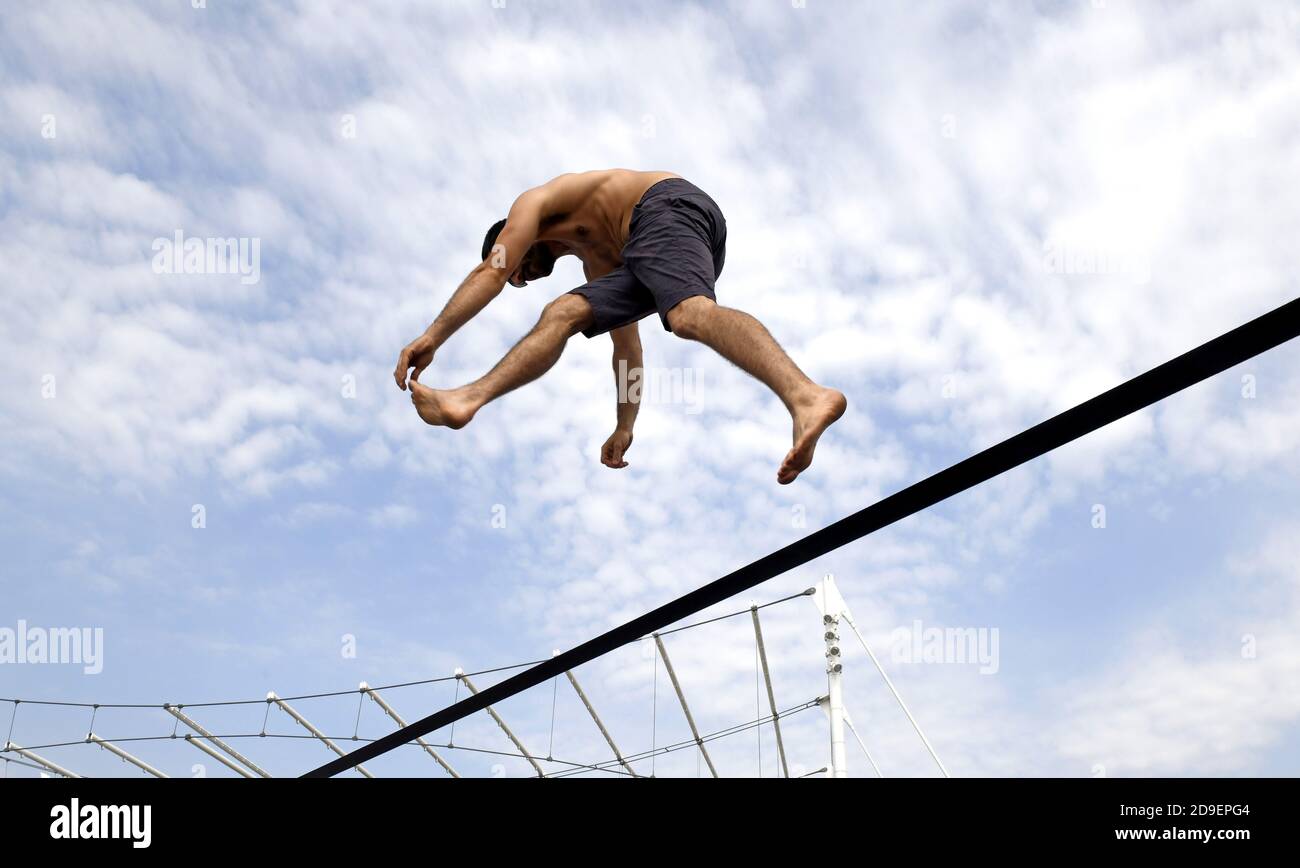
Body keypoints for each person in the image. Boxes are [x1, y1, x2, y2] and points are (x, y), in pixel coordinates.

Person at [393, 169, 845, 484]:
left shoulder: (534, 203)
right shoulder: (600, 264)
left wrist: (433, 337)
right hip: (651, 242)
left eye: (514, 266)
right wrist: (625, 425)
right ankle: (469, 399)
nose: (516, 279)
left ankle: (805, 395)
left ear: (511, 236)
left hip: (666, 205)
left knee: (687, 314)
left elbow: (491, 273)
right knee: (562, 313)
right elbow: (628, 349)